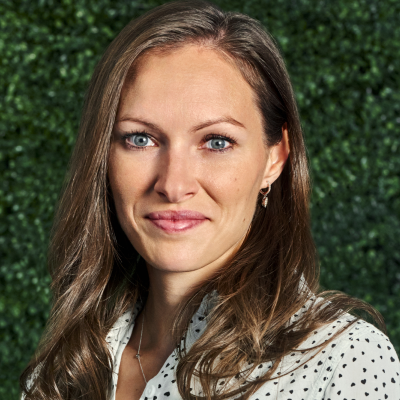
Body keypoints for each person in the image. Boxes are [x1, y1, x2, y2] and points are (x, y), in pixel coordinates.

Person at [20, 1, 400, 399]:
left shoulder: (343, 360)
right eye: (140, 138)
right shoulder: (61, 372)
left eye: (217, 141)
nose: (173, 183)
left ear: (275, 157)